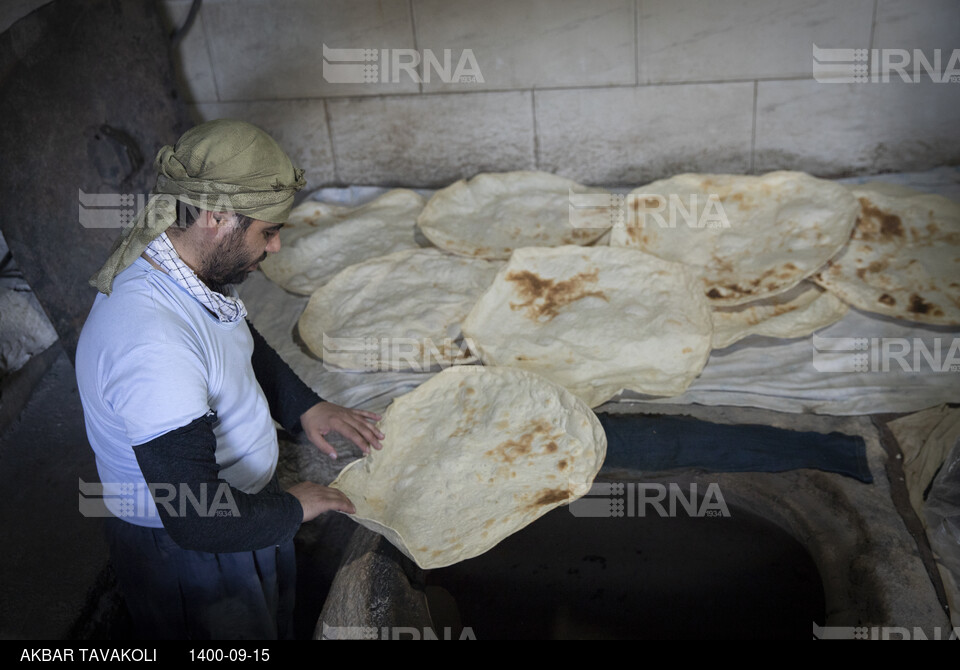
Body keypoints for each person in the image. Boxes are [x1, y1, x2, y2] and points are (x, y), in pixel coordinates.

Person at [75, 119, 382, 640]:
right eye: (269, 231)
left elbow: (236, 340)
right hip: (195, 554)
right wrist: (291, 508)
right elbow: (193, 514)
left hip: (239, 516)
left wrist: (305, 406)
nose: (277, 246)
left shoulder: (184, 264)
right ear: (217, 217)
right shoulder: (154, 346)